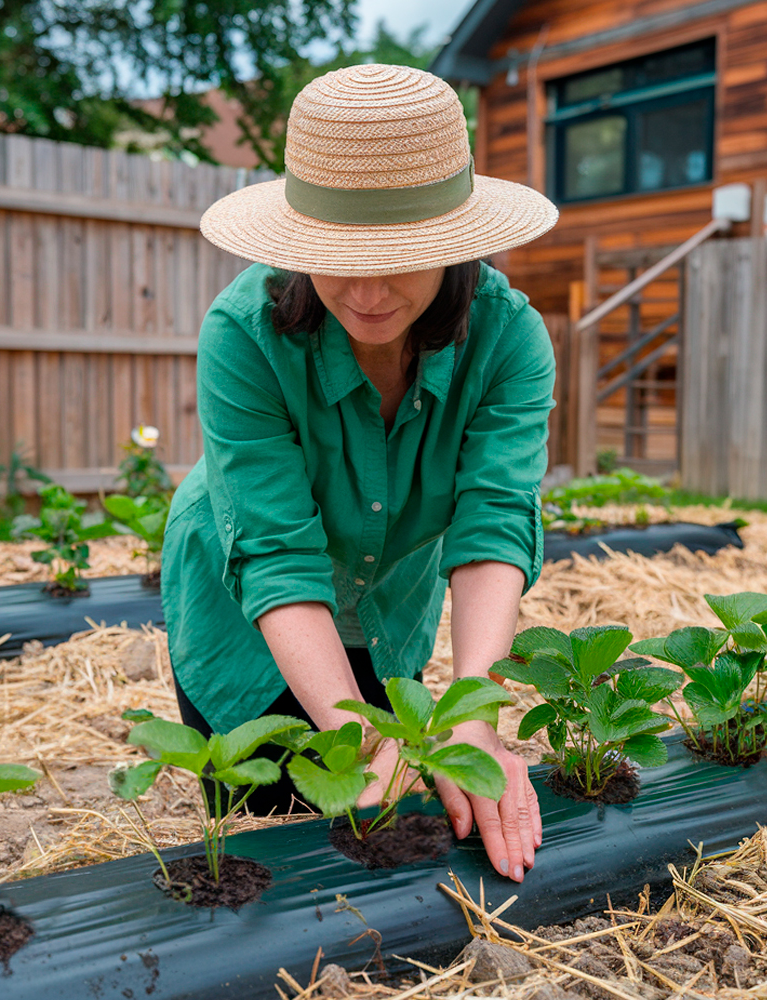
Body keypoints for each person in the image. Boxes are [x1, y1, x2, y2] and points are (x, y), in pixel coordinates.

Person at [162, 63, 559, 884]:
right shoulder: (245, 337)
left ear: (455, 243)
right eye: (337, 256)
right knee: (271, 860)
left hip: (387, 615)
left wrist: (472, 720)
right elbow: (273, 553)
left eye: (402, 257)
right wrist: (369, 745)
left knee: (410, 838)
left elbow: (493, 523)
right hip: (247, 625)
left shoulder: (509, 342)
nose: (369, 291)